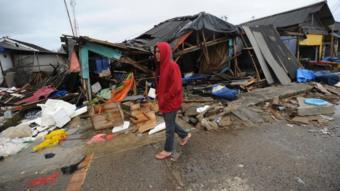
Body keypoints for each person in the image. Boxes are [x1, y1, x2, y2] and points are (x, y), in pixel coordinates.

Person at [154, 42, 191, 160]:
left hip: (171, 101)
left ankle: (168, 150)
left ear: (165, 52)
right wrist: (157, 94)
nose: (156, 54)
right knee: (171, 123)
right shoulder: (161, 67)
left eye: (159, 51)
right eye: (155, 51)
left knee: (169, 128)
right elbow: (162, 84)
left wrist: (164, 98)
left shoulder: (172, 66)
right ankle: (185, 135)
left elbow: (176, 87)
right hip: (164, 101)